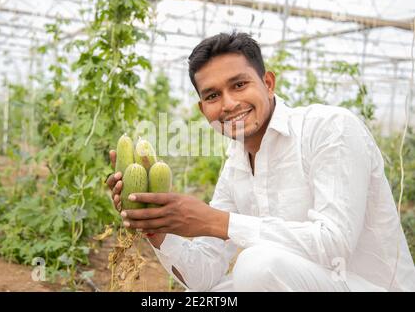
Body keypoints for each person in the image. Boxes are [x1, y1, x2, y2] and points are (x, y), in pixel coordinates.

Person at [105, 32, 415, 291]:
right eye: (212, 96)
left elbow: (334, 244)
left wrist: (217, 221)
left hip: (367, 286)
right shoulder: (236, 164)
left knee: (256, 267)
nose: (229, 104)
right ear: (203, 110)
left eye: (239, 85)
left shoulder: (329, 128)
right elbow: (203, 276)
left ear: (268, 83)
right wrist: (158, 229)